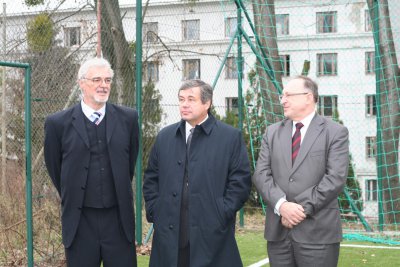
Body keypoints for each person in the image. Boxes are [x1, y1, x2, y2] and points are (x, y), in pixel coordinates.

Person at [143, 79, 252, 267]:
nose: (184, 104)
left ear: (207, 103)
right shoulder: (165, 136)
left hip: (213, 234)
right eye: (181, 99)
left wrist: (222, 212)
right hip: (170, 233)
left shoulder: (230, 137)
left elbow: (240, 181)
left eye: (191, 99)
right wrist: (156, 209)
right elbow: (151, 178)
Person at [44, 57, 139, 267]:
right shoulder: (57, 124)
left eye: (107, 80)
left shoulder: (129, 119)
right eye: (96, 80)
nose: (103, 85)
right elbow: (55, 168)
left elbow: (129, 164)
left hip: (118, 220)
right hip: (80, 221)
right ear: (81, 83)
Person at [252, 76, 349, 267]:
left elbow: (335, 178)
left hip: (318, 234)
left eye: (288, 95)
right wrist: (282, 206)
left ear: (308, 97)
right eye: (282, 95)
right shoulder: (271, 132)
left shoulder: (335, 132)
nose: (283, 100)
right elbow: (261, 174)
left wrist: (298, 210)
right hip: (278, 234)